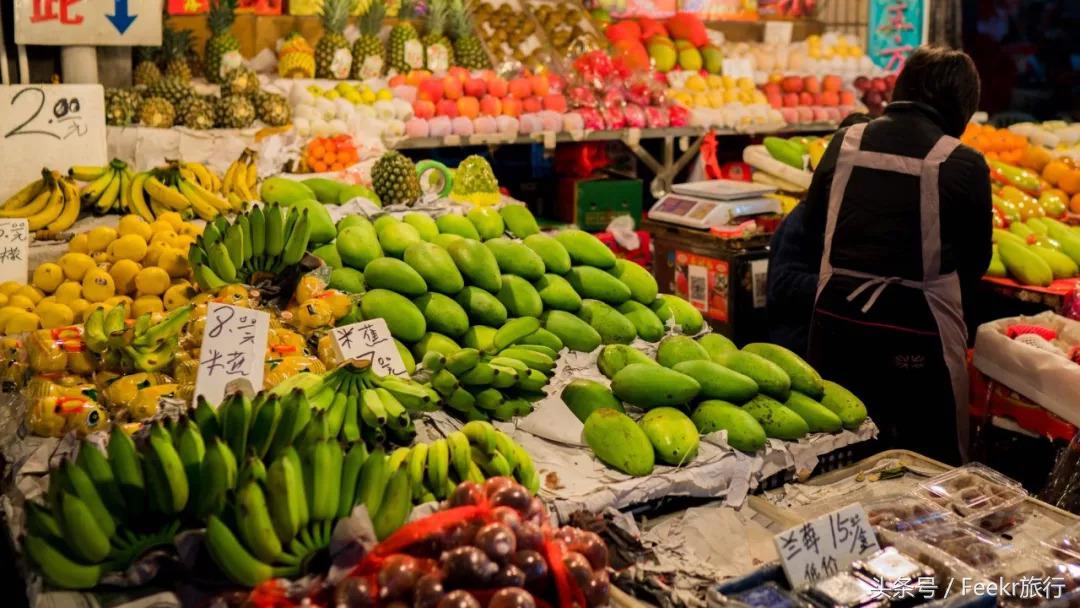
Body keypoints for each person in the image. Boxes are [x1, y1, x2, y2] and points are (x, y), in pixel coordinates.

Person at [800, 47, 992, 465]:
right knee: (927, 470)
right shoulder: (963, 163)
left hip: (836, 324)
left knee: (835, 453)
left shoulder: (843, 142)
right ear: (961, 108)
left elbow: (812, 228)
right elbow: (976, 262)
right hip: (919, 336)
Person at [766, 113, 873, 356]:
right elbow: (782, 284)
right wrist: (843, 286)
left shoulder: (861, 212)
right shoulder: (807, 216)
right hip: (800, 345)